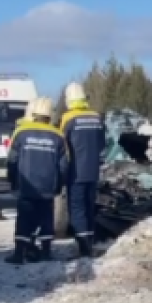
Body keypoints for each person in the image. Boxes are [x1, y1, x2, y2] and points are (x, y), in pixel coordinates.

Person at [5, 96, 67, 264]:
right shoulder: (58, 136)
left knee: (24, 218)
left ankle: (19, 254)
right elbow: (63, 166)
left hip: (26, 185)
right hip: (48, 185)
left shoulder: (21, 132)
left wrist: (12, 180)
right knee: (46, 218)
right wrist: (59, 185)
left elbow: (12, 160)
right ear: (49, 115)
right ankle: (46, 252)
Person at [58, 82, 106, 258]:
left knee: (77, 209)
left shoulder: (68, 119)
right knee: (89, 207)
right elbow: (102, 144)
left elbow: (62, 145)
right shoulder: (96, 117)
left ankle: (84, 248)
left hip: (75, 172)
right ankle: (90, 243)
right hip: (93, 171)